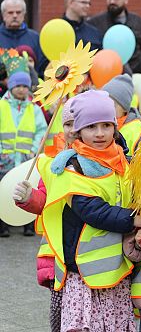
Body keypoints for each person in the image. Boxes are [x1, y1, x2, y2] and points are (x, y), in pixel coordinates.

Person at [40, 89, 141, 331]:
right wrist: (135, 219)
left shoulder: (124, 162)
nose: (100, 133)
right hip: (82, 274)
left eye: (106, 125)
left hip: (117, 272)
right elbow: (92, 210)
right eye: (91, 127)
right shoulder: (72, 167)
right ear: (78, 131)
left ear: (115, 127)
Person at [12, 98, 77, 332]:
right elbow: (43, 200)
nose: (73, 130)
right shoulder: (53, 164)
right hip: (58, 252)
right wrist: (28, 197)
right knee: (60, 318)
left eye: (78, 123)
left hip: (90, 256)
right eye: (67, 124)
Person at [0, 69, 47, 237]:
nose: (21, 89)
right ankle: (3, 225)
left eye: (24, 86)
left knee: (26, 189)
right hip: (5, 159)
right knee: (3, 189)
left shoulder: (34, 108)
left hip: (26, 159)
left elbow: (41, 131)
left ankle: (28, 224)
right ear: (10, 86)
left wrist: (34, 150)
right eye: (17, 85)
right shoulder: (2, 105)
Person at [88, 0, 141, 77]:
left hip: (135, 78)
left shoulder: (138, 22)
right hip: (106, 79)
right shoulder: (95, 23)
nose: (112, 1)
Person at [0, 0, 45, 75]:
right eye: (10, 12)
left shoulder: (35, 38)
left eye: (18, 12)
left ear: (24, 14)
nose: (14, 16)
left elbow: (42, 69)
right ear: (3, 15)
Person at [101, 74, 141, 157]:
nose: (106, 108)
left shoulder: (137, 133)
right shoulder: (96, 124)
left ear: (124, 108)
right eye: (103, 103)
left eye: (112, 105)